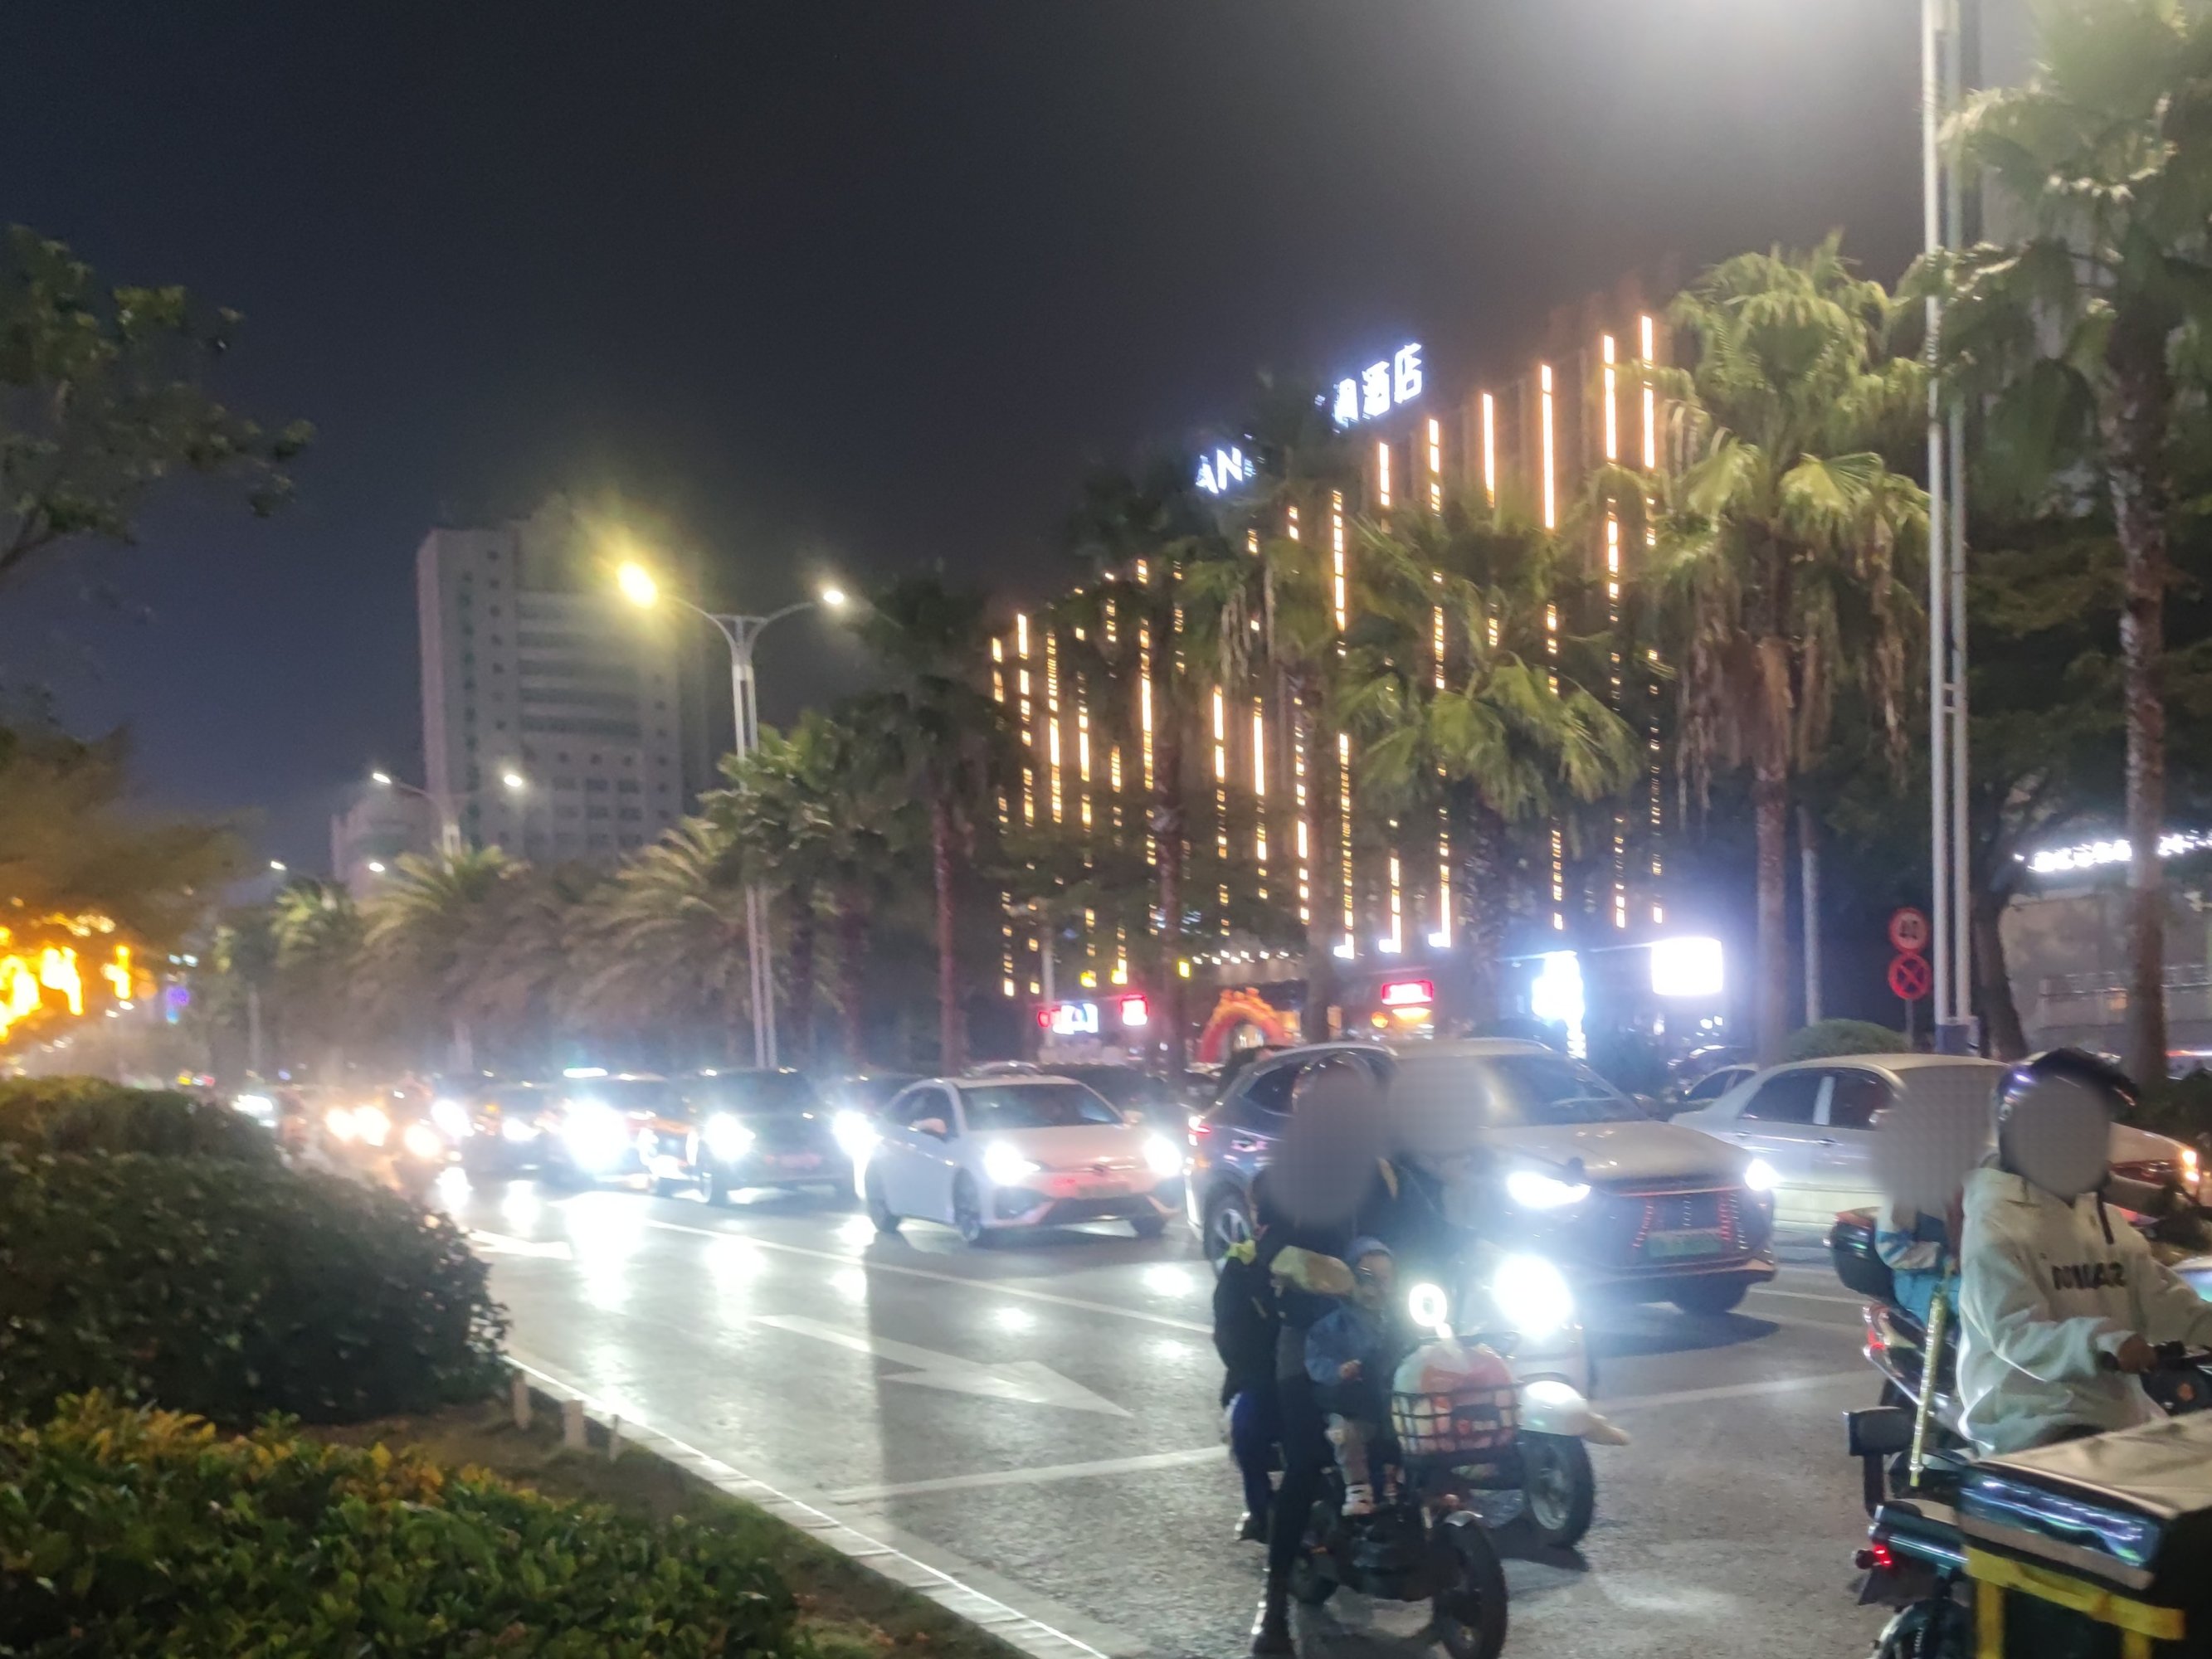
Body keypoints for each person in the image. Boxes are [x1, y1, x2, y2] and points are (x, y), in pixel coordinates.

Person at [1250, 1053, 1462, 1657]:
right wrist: (1311, 1278)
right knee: (1306, 1459)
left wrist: (1478, 1250)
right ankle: (1274, 1604)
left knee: (1427, 1426)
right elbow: (1266, 1255)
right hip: (1313, 1336)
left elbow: (1431, 1236)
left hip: (1384, 1328)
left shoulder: (1387, 1176)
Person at [1956, 1048, 2212, 1457]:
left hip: (2116, 1416)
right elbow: (2017, 1334)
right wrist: (2106, 1341)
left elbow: (2159, 1299)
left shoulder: (2099, 1216)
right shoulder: (1996, 1225)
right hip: (2033, 1422)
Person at [1303, 1238, 1399, 1516]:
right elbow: (1316, 1359)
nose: (1377, 1288)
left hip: (1392, 1403)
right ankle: (1357, 1486)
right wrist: (1339, 1370)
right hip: (1354, 1404)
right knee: (1345, 1432)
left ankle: (1420, 1482)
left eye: (1385, 1279)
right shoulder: (1334, 1324)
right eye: (1367, 1279)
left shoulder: (1398, 1321)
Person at [1214, 1178, 1279, 1545]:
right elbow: (1230, 1335)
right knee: (1246, 1430)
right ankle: (1262, 1513)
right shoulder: (1244, 1264)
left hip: (1318, 1371)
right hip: (1261, 1377)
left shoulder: (1320, 1253)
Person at [1875, 1197, 1956, 1326]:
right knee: (1976, 1296)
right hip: (1920, 1280)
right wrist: (1944, 1258)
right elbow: (1890, 1249)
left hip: (1964, 1270)